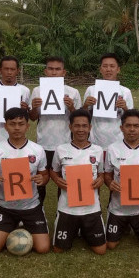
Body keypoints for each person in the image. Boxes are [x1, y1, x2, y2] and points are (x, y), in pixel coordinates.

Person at [0, 107, 50, 254]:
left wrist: (42, 179)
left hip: (31, 207)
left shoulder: (37, 150)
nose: (17, 128)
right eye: (12, 124)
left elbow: (45, 175)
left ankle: (25, 222)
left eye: (21, 124)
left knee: (43, 248)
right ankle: (9, 223)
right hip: (5, 207)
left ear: (27, 126)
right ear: (5, 126)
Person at [50, 109, 106, 254]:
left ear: (90, 128)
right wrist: (57, 179)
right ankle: (75, 229)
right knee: (58, 249)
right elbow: (53, 171)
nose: (81, 129)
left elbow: (102, 173)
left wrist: (101, 179)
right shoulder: (61, 149)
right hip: (67, 208)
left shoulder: (98, 150)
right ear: (70, 127)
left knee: (100, 250)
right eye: (77, 126)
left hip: (91, 208)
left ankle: (83, 230)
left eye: (84, 126)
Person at [29, 56, 82, 203]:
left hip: (65, 143)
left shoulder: (73, 92)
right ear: (45, 71)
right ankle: (37, 210)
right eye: (51, 69)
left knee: (65, 180)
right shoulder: (37, 91)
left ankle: (64, 210)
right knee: (40, 181)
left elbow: (78, 120)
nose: (54, 72)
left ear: (64, 72)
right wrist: (34, 107)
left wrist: (71, 107)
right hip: (43, 143)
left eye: (57, 69)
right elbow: (32, 117)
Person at [104, 109, 139, 250]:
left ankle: (132, 225)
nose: (132, 129)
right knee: (110, 245)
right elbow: (107, 175)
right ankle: (125, 225)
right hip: (118, 208)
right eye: (128, 126)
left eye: (136, 126)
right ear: (121, 128)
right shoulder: (112, 149)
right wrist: (110, 183)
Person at [83, 53, 133, 150]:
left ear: (118, 69)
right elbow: (83, 117)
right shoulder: (91, 90)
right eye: (105, 66)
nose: (108, 69)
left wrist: (125, 108)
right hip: (95, 141)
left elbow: (131, 118)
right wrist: (85, 105)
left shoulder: (125, 91)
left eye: (112, 66)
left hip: (118, 141)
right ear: (100, 69)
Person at [0, 55, 31, 148]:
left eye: (12, 69)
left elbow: (28, 115)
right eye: (6, 69)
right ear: (0, 70)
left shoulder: (25, 90)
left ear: (18, 70)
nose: (9, 72)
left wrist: (26, 109)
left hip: (17, 139)